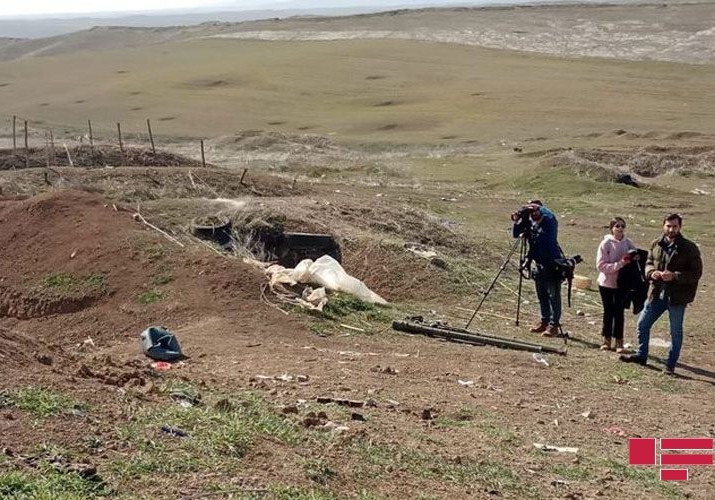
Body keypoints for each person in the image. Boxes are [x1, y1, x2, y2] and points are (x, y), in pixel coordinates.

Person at [620, 214, 702, 375]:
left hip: (677, 296)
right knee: (642, 324)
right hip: (656, 293)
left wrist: (675, 276)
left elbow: (696, 272)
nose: (671, 229)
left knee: (675, 331)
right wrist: (652, 272)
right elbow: (648, 262)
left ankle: (670, 365)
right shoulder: (656, 244)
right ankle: (641, 355)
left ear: (680, 227)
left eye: (675, 226)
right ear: (663, 226)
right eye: (668, 226)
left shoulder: (689, 248)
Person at [512, 200, 564, 337]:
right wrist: (520, 217)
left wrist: (539, 207)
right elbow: (515, 233)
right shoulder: (530, 224)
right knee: (542, 295)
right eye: (531, 211)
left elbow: (550, 214)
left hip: (552, 263)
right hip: (538, 264)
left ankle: (554, 325)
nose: (533, 213)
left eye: (535, 211)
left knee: (554, 295)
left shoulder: (549, 223)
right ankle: (544, 321)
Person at [596, 217, 636, 353]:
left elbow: (634, 257)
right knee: (608, 311)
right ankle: (606, 340)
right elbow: (600, 265)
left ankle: (619, 341)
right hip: (606, 283)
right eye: (617, 226)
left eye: (622, 226)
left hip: (622, 284)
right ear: (611, 228)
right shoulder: (605, 243)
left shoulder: (628, 243)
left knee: (619, 312)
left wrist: (634, 258)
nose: (620, 228)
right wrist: (620, 264)